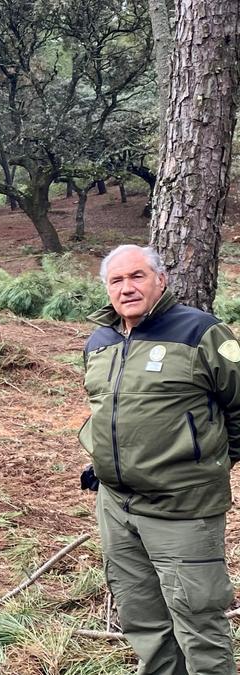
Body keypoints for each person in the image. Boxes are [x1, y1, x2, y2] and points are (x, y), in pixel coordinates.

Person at [80, 244, 240, 674]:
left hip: (184, 510)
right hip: (117, 506)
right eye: (117, 280)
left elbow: (239, 407)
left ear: (161, 280)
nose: (127, 288)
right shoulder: (100, 341)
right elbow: (107, 412)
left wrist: (204, 464)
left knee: (198, 622)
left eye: (137, 277)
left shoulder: (203, 332)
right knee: (144, 620)